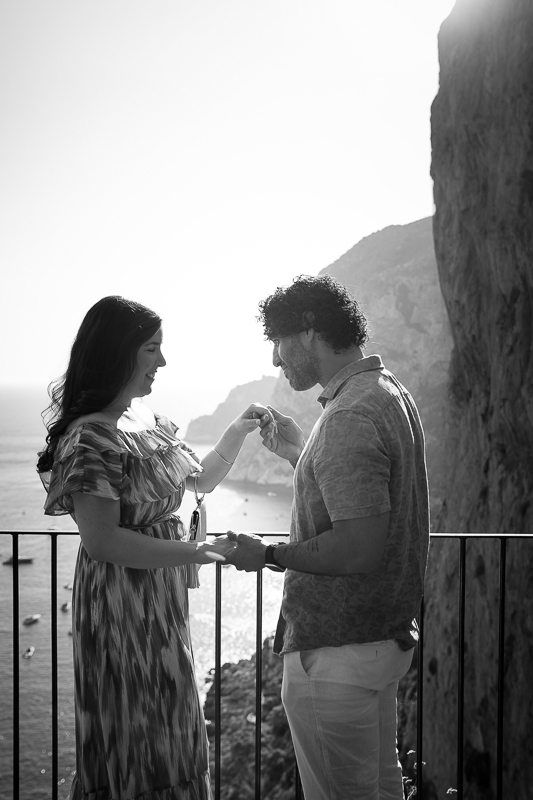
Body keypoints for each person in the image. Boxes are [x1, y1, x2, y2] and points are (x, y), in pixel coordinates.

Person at [36, 295, 267, 800]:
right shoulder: (90, 438)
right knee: (140, 733)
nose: (162, 362)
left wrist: (237, 431)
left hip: (159, 599)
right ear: (118, 352)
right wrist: (197, 553)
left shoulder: (143, 421)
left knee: (172, 722)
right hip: (122, 606)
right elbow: (102, 541)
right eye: (151, 349)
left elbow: (197, 480)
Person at [225, 275, 430, 800]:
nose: (275, 359)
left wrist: (266, 553)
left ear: (310, 329)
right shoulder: (386, 393)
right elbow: (360, 502)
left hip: (337, 654)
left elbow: (358, 545)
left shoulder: (349, 414)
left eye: (278, 341)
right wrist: (302, 454)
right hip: (378, 640)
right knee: (383, 790)